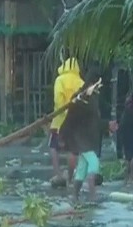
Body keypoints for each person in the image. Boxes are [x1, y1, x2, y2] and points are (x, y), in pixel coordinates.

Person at [60, 81, 117, 203]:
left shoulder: (91, 99)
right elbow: (70, 119)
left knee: (82, 168)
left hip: (87, 139)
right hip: (82, 139)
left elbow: (94, 122)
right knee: (94, 164)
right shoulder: (81, 99)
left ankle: (75, 196)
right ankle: (92, 195)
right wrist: (63, 136)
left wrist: (107, 125)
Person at [49, 57, 84, 185]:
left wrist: (63, 112)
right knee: (72, 150)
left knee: (54, 148)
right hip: (75, 122)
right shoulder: (80, 82)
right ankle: (69, 178)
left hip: (59, 121)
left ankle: (58, 175)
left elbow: (58, 99)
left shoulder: (60, 80)